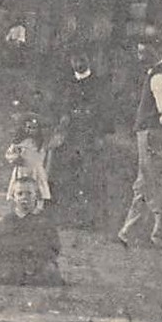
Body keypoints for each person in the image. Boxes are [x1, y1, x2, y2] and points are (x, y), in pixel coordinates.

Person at [116, 34, 162, 248]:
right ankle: (128, 232)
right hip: (148, 135)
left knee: (158, 183)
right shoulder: (153, 74)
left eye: (144, 52)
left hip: (154, 135)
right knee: (143, 184)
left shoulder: (159, 77)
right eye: (139, 51)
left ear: (156, 51)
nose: (140, 56)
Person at [52, 52, 109, 226]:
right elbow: (60, 108)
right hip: (70, 136)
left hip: (89, 136)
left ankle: (89, 218)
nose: (78, 62)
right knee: (67, 176)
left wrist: (100, 135)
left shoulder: (100, 85)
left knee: (89, 177)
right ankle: (66, 217)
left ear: (89, 61)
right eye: (75, 59)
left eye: (82, 59)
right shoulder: (66, 84)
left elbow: (105, 112)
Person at [0, 177, 64, 286]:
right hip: (13, 262)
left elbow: (54, 246)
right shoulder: (8, 220)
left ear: (36, 196)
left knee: (48, 272)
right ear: (13, 197)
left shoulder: (44, 220)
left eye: (29, 194)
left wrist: (36, 255)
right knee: (6, 273)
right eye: (20, 194)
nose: (24, 198)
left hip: (37, 263)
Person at [5, 115, 53, 207]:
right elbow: (9, 154)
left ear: (38, 129)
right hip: (22, 170)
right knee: (20, 190)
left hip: (36, 171)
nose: (30, 130)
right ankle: (20, 208)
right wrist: (15, 158)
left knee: (38, 191)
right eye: (28, 127)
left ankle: (38, 209)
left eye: (34, 128)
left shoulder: (42, 143)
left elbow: (55, 142)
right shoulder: (19, 142)